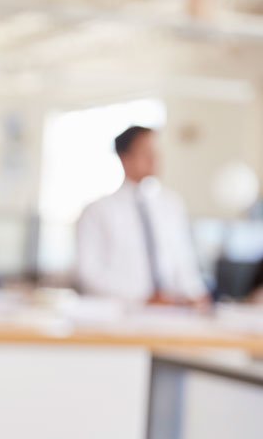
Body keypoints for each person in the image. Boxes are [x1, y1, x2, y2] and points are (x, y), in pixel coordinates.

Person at [76, 126, 209, 306]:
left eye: (156, 151)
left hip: (172, 311)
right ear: (125, 158)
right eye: (146, 152)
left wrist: (196, 294)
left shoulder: (172, 205)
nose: (154, 158)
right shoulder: (97, 211)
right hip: (120, 312)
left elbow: (184, 263)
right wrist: (143, 298)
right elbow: (88, 274)